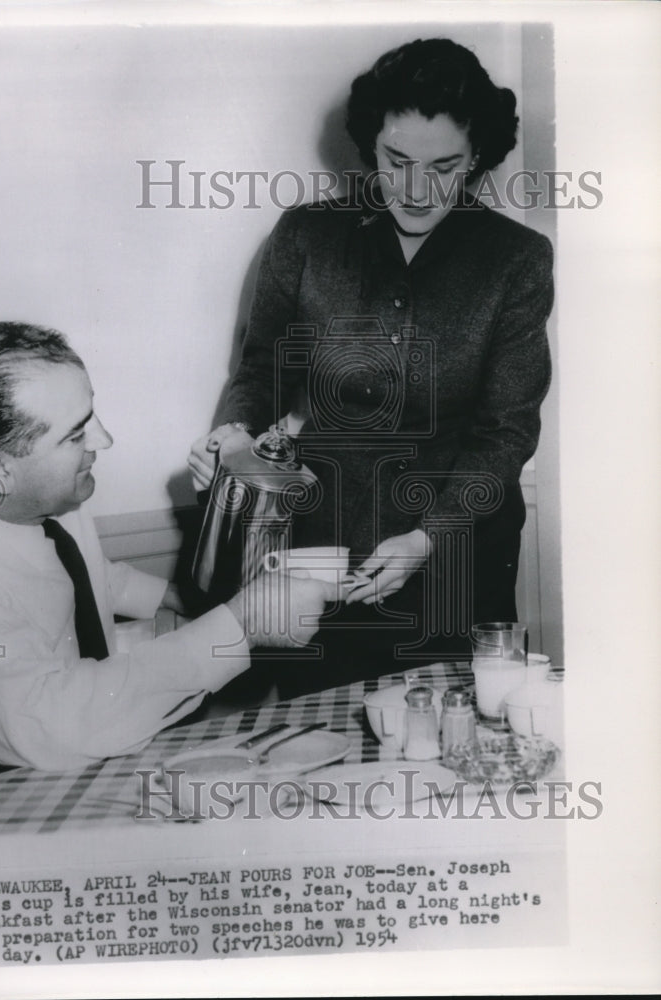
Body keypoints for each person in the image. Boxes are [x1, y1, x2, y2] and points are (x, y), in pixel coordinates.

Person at [188, 38, 554, 697]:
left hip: (457, 550)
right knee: (314, 738)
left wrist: (428, 536)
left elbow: (505, 433)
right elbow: (261, 368)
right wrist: (235, 432)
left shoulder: (515, 259)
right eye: (396, 160)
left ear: (477, 158)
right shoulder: (306, 235)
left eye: (444, 166)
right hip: (317, 549)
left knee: (446, 742)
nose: (416, 190)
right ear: (370, 147)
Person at [0, 322, 334, 794]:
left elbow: (76, 569)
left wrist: (172, 596)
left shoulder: (24, 490)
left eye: (91, 414)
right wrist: (241, 626)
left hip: (59, 762)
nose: (103, 440)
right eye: (76, 435)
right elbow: (54, 724)